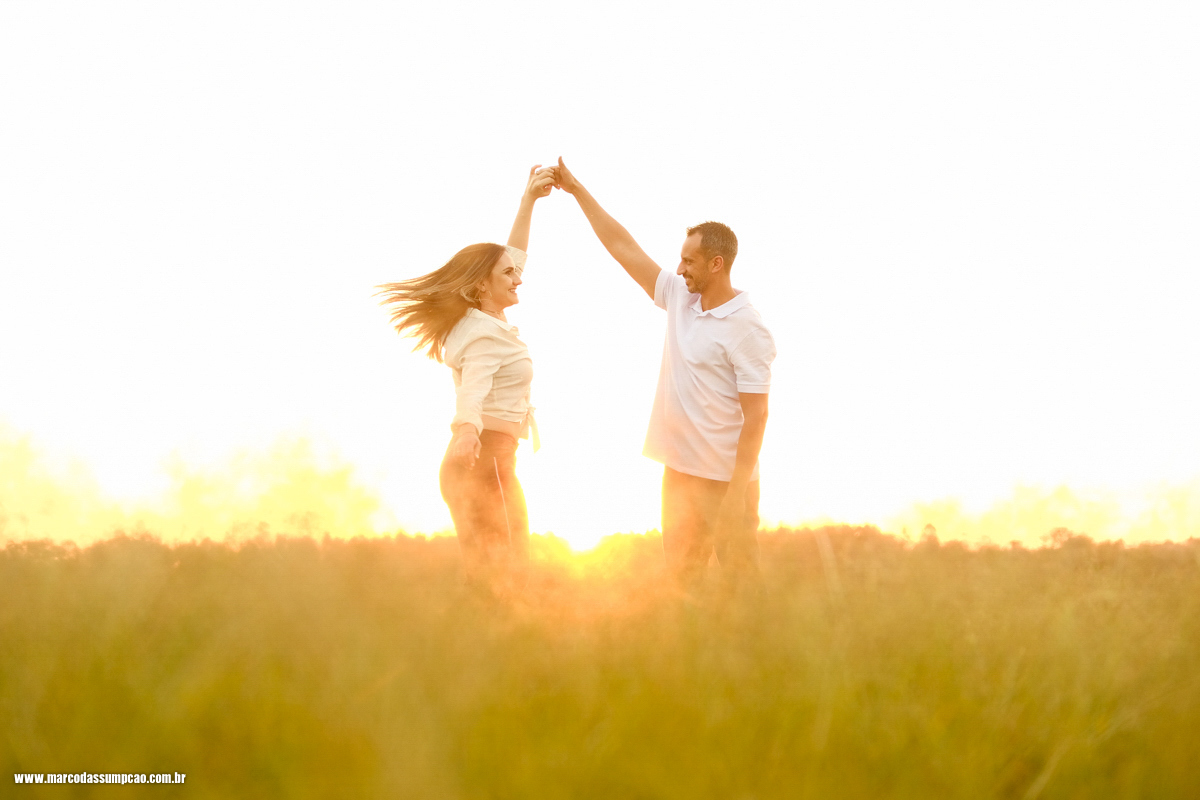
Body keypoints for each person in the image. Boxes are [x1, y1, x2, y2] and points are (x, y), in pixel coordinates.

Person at [551, 158, 776, 594]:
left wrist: (734, 495)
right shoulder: (679, 297)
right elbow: (623, 247)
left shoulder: (748, 327)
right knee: (682, 587)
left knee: (741, 588)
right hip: (680, 477)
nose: (679, 269)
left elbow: (757, 419)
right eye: (679, 259)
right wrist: (576, 190)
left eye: (689, 261)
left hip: (727, 483)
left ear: (716, 264)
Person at [376, 165, 556, 592]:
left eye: (515, 271)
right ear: (482, 287)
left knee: (498, 571)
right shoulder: (483, 333)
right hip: (484, 459)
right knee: (505, 574)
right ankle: (499, 648)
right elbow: (472, 392)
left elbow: (514, 252)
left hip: (490, 460)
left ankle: (487, 648)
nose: (519, 277)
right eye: (508, 274)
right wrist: (466, 432)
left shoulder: (485, 319)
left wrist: (528, 200)